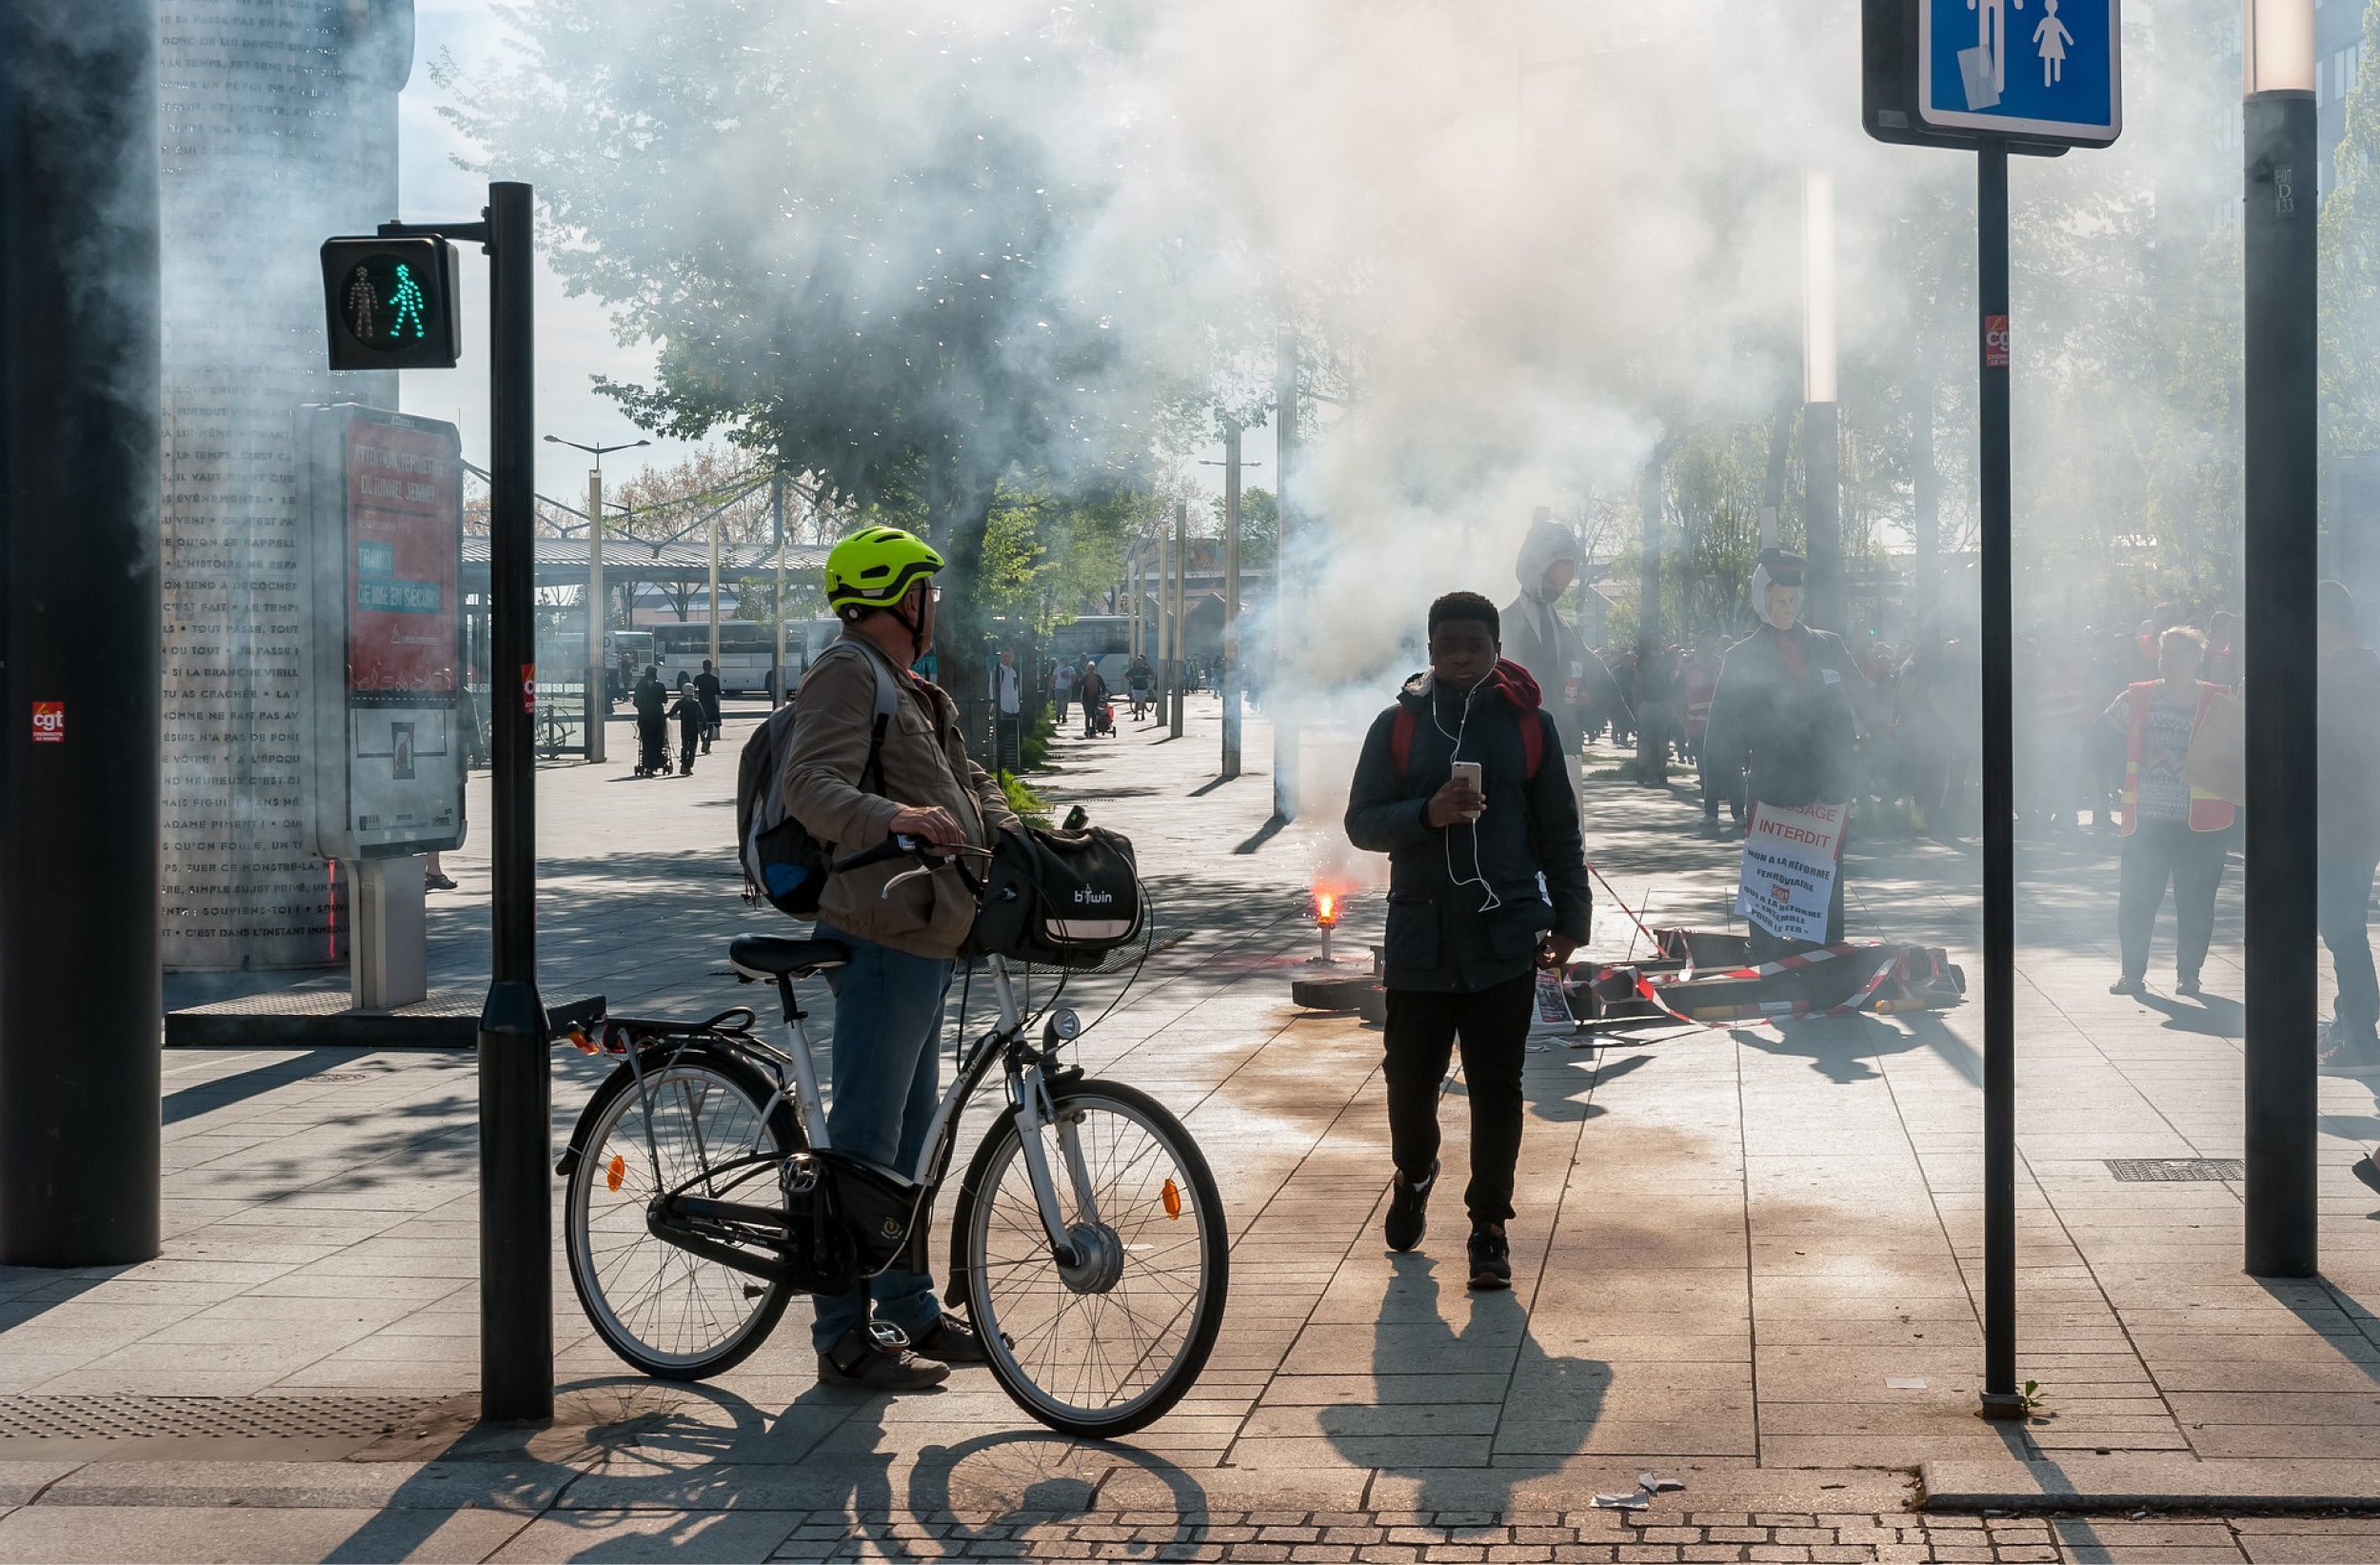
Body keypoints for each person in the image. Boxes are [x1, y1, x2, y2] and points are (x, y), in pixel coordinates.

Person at [783, 525, 1020, 1392]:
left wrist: (1019, 833)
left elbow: (965, 782)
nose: (936, 605)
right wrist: (897, 818)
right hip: (880, 931)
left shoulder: (912, 687)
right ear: (895, 596)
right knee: (867, 1141)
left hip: (929, 931)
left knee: (914, 1145)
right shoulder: (847, 672)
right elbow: (810, 785)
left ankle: (911, 1307)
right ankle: (841, 1333)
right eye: (927, 590)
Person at [1344, 591, 1591, 1293]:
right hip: (1420, 938)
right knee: (1408, 1084)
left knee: (1497, 1087)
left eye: (1474, 646)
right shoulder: (1397, 725)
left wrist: (1570, 920)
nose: (1460, 657)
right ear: (1429, 650)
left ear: (1496, 650)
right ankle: (1415, 1172)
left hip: (1503, 935)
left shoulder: (1530, 726)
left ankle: (1489, 1229)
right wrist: (1427, 813)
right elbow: (1362, 822)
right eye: (1448, 644)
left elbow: (1560, 831)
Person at [1701, 549, 1874, 961]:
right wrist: (1718, 786)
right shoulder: (1741, 656)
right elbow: (1720, 726)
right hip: (1774, 792)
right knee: (1768, 883)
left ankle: (1827, 962)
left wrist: (1877, 748)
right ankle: (1768, 962)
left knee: (1826, 884)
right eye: (1780, 600)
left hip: (1828, 792)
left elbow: (1864, 699)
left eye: (1795, 599)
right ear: (1762, 599)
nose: (1788, 607)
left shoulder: (1830, 645)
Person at [2100, 625, 2234, 997]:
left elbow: (2241, 754)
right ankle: (2131, 974)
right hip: (2147, 823)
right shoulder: (2137, 696)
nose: (2167, 660)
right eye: (2163, 653)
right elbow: (2100, 738)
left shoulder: (2219, 700)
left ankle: (2189, 975)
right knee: (2137, 901)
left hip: (2202, 825)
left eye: (2176, 654)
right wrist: (2111, 778)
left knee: (2196, 904)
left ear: (2196, 659)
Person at [1501, 517, 1626, 814]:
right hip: (1516, 751)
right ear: (1531, 568)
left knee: (1567, 830)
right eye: (1551, 580)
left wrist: (1628, 720)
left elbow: (1597, 674)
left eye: (1563, 582)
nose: (1557, 589)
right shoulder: (1498, 626)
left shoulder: (1568, 631)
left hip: (1565, 749)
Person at [2318, 583, 2380, 1060]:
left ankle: (2359, 1037)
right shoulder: (2372, 666)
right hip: (2362, 821)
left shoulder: (2334, 676)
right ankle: (2348, 1023)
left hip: (2336, 822)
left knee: (2342, 929)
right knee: (2345, 925)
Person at [631, 664, 669, 777]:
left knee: (646, 742)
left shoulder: (640, 685)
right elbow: (665, 700)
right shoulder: (660, 686)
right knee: (658, 742)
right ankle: (656, 764)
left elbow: (635, 702)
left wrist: (642, 707)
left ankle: (647, 765)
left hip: (644, 718)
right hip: (657, 718)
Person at [990, 647, 1022, 773]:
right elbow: (993, 689)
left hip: (1014, 709)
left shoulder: (1013, 671)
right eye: (1004, 656)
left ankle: (1015, 765)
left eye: (1009, 656)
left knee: (1015, 738)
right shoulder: (998, 671)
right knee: (1002, 739)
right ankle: (1002, 766)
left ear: (1012, 658)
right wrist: (994, 706)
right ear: (1000, 657)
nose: (1006, 659)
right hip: (1002, 709)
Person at [668, 680, 704, 776]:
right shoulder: (695, 703)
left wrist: (663, 716)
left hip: (684, 728)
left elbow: (671, 713)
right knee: (692, 748)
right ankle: (688, 767)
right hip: (694, 728)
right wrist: (704, 727)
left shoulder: (680, 703)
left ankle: (684, 765)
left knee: (684, 746)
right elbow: (702, 716)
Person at [695, 659, 724, 754]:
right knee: (710, 725)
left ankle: (703, 739)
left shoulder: (698, 678)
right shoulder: (715, 679)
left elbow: (693, 688)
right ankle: (707, 745)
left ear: (703, 667)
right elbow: (718, 692)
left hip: (701, 704)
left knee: (700, 724)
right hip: (711, 704)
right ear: (711, 667)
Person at [1080, 659, 1111, 738]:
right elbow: (1079, 685)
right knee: (1087, 715)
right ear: (1087, 669)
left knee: (1094, 714)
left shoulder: (1097, 677)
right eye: (1089, 668)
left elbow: (1103, 687)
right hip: (1086, 698)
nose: (1091, 670)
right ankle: (1087, 729)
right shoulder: (1085, 677)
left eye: (1092, 668)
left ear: (1094, 669)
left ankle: (1093, 729)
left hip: (1095, 698)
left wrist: (1104, 695)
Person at [1125, 653, 1155, 721]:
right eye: (1137, 663)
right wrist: (1130, 679)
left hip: (1143, 687)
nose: (1138, 664)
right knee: (1137, 702)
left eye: (1140, 662)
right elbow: (1126, 675)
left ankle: (1142, 714)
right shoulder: (1133, 669)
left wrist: (1149, 677)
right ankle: (1136, 715)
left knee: (1142, 701)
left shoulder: (1145, 669)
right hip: (1135, 687)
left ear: (1142, 663)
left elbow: (1153, 674)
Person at [1052, 658, 1076, 725]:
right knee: (1059, 702)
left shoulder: (1071, 669)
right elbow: (1054, 677)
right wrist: (1052, 685)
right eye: (1064, 661)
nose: (1066, 662)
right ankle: (1057, 715)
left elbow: (1073, 677)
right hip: (1058, 688)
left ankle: (1064, 716)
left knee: (1066, 703)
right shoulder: (1057, 669)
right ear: (1061, 662)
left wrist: (1071, 685)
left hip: (1067, 688)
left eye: (1067, 661)